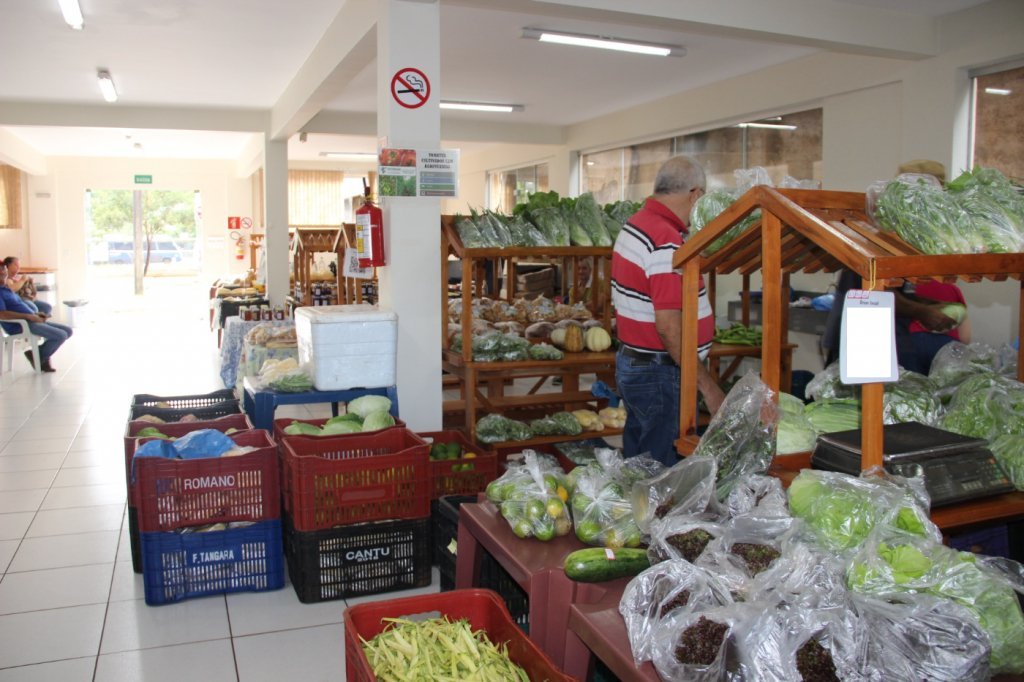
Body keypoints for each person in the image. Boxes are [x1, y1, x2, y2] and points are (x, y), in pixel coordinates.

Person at [611, 155, 725, 467]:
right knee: (662, 474)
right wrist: (708, 386)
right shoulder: (665, 240)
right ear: (696, 194)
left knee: (640, 464)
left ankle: (637, 514)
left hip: (637, 364)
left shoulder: (635, 225)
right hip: (660, 373)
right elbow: (669, 326)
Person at [821, 160, 965, 374]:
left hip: (888, 336)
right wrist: (923, 311)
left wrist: (929, 303)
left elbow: (898, 288)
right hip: (858, 336)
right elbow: (876, 289)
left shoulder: (907, 233)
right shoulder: (881, 230)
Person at [0, 261, 71, 372]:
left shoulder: (6, 289)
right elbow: (2, 314)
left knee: (68, 330)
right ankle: (39, 356)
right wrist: (29, 316)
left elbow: (19, 304)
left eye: (4, 269)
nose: (3, 272)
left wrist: (35, 314)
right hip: (20, 325)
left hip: (30, 320)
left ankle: (38, 355)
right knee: (61, 335)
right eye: (0, 270)